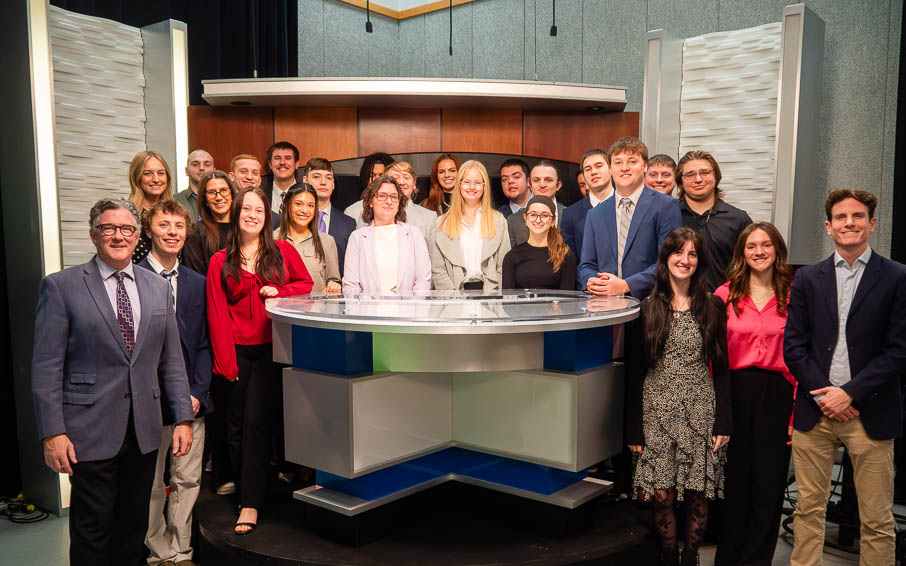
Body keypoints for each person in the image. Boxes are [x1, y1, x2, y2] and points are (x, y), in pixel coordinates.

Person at [31, 197, 194, 566]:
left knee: (133, 528)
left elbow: (171, 360)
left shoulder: (157, 288)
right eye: (108, 228)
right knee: (93, 530)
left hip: (144, 429)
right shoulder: (61, 287)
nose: (118, 236)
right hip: (86, 430)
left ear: (138, 236)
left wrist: (182, 417)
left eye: (126, 229)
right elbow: (45, 366)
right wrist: (52, 432)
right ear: (94, 235)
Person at [783, 189, 906, 566]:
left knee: (877, 518)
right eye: (840, 217)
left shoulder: (897, 276)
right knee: (807, 512)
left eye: (857, 216)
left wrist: (849, 394)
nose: (848, 223)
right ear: (828, 226)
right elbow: (794, 347)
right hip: (814, 410)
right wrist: (824, 395)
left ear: (872, 223)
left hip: (870, 413)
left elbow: (898, 350)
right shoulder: (807, 278)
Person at [206, 187, 313, 535]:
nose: (252, 214)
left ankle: (249, 503)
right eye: (246, 209)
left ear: (267, 215)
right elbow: (216, 313)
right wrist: (226, 362)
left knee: (255, 422)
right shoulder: (220, 260)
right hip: (234, 350)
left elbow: (305, 284)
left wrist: (279, 291)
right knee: (234, 425)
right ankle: (251, 482)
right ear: (236, 214)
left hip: (270, 347)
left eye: (259, 209)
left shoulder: (282, 250)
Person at [625, 227, 731, 566]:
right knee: (662, 493)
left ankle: (692, 558)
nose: (684, 260)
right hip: (655, 407)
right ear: (665, 257)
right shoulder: (646, 308)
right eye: (678, 252)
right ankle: (669, 556)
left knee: (699, 493)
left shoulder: (713, 305)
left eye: (692, 254)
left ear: (699, 261)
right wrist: (634, 429)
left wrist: (723, 421)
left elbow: (723, 368)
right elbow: (633, 373)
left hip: (700, 407)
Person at [713, 222, 796, 566]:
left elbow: (804, 356)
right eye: (751, 246)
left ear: (777, 250)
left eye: (766, 245)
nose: (759, 251)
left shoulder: (794, 294)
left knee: (769, 483)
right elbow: (712, 357)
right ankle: (728, 558)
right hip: (735, 392)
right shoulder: (724, 295)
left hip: (778, 395)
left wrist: (796, 414)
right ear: (741, 253)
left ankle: (756, 560)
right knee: (735, 482)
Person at [137, 200, 212, 566]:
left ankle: (181, 549)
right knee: (152, 483)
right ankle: (157, 548)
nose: (172, 232)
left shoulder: (198, 282)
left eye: (179, 226)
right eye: (164, 225)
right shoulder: (131, 278)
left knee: (188, 478)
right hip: (149, 403)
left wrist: (197, 392)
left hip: (191, 401)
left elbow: (204, 342)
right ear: (149, 229)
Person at [579, 137, 682, 299]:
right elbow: (587, 265)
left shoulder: (666, 206)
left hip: (649, 306)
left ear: (645, 166)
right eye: (618, 162)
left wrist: (626, 286)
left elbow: (670, 262)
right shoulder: (595, 214)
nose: (624, 168)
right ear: (611, 169)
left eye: (632, 161)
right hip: (605, 308)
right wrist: (591, 281)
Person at [676, 150, 752, 292]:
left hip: (725, 303)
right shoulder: (668, 215)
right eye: (690, 174)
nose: (698, 179)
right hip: (676, 305)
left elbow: (750, 266)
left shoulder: (738, 219)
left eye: (705, 172)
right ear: (680, 180)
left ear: (716, 176)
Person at [343, 176, 431, 295]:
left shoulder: (414, 235)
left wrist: (412, 310)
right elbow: (351, 285)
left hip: (407, 310)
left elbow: (423, 282)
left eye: (394, 197)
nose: (389, 201)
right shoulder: (357, 238)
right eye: (382, 196)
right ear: (370, 202)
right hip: (368, 311)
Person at [432, 160, 510, 292]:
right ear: (459, 185)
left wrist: (494, 299)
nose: (472, 187)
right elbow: (438, 270)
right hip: (454, 298)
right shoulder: (442, 223)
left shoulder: (498, 221)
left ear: (484, 186)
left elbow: (503, 266)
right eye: (467, 182)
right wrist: (454, 300)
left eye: (478, 183)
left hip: (489, 296)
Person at [346, 161, 438, 252]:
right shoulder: (356, 211)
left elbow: (433, 259)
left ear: (414, 183)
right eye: (395, 178)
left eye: (406, 177)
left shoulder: (429, 218)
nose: (401, 182)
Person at [277, 183, 342, 294]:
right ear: (286, 205)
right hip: (277, 309)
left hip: (315, 309)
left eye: (310, 206)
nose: (305, 211)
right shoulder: (270, 239)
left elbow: (334, 280)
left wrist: (334, 286)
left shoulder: (327, 241)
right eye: (298, 204)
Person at [502, 195, 575, 290]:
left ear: (552, 221)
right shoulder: (511, 257)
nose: (538, 220)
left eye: (545, 215)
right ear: (525, 218)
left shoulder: (565, 255)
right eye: (533, 215)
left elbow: (567, 299)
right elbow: (509, 299)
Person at [302, 157, 355, 275]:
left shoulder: (348, 223)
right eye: (316, 177)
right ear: (305, 180)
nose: (323, 182)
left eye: (328, 177)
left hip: (337, 289)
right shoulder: (296, 219)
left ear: (333, 184)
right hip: (301, 289)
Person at [562, 149, 613, 261]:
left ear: (611, 169)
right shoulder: (570, 214)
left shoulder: (628, 204)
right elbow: (570, 262)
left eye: (599, 166)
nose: (593, 172)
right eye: (588, 169)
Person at [182, 171, 237, 275]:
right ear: (205, 200)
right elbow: (196, 275)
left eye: (223, 190)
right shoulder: (196, 232)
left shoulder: (244, 227)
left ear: (232, 194)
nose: (219, 197)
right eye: (212, 192)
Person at [128, 150, 175, 263]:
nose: (156, 179)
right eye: (148, 173)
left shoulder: (176, 213)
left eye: (161, 173)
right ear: (137, 177)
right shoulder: (128, 215)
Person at [507, 161, 567, 248]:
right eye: (536, 180)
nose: (542, 185)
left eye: (548, 180)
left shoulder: (571, 215)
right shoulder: (514, 220)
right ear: (529, 184)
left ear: (558, 185)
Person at [174, 149, 215, 220]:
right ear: (186, 171)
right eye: (195, 164)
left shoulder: (223, 200)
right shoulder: (174, 201)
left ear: (214, 171)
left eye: (207, 164)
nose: (201, 168)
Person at [264, 141, 301, 214]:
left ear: (296, 164)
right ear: (270, 164)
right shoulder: (260, 195)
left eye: (288, 158)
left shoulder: (307, 193)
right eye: (277, 158)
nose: (282, 162)